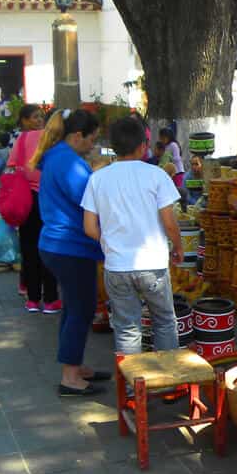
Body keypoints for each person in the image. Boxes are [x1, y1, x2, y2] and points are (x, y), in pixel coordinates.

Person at [82, 116, 182, 355]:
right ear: (143, 146)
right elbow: (169, 223)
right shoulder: (157, 175)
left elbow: (89, 228)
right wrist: (177, 246)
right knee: (165, 322)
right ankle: (169, 381)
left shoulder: (97, 179)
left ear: (114, 147)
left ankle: (132, 387)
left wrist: (108, 242)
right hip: (153, 265)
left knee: (127, 329)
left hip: (116, 266)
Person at [32, 109, 110, 396]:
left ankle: (75, 365)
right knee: (81, 309)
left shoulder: (58, 156)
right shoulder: (67, 162)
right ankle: (70, 378)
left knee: (74, 308)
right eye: (92, 139)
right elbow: (91, 199)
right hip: (70, 246)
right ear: (77, 136)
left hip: (58, 245)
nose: (93, 145)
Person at [9, 113, 60, 312]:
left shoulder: (22, 138)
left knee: (29, 249)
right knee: (48, 247)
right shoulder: (54, 140)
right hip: (48, 197)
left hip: (25, 199)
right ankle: (50, 299)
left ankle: (32, 299)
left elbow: (12, 165)